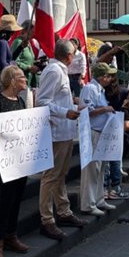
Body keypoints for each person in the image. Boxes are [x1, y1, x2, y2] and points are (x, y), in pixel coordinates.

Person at [37, 39, 85, 241]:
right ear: (69, 56)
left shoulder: (61, 71)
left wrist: (73, 106)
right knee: (51, 175)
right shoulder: (54, 71)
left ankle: (63, 211)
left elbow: (59, 99)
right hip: (57, 131)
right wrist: (66, 112)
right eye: (74, 54)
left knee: (61, 173)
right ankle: (47, 219)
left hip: (65, 130)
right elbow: (43, 101)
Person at [0, 65, 31, 257]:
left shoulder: (21, 101)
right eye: (22, 77)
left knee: (18, 197)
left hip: (20, 157)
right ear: (12, 80)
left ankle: (11, 236)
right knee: (6, 199)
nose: (26, 80)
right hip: (5, 159)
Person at [79, 62, 117, 216]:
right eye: (108, 76)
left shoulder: (99, 90)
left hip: (101, 132)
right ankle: (88, 204)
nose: (110, 79)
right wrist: (105, 109)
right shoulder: (90, 89)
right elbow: (87, 111)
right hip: (93, 132)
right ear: (103, 77)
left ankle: (98, 199)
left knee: (100, 168)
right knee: (92, 169)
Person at [0, 15, 23, 164]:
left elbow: (7, 59)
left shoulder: (0, 42)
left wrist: (19, 49)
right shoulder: (2, 43)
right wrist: (13, 69)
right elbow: (3, 63)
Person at [10, 21, 41, 89]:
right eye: (33, 30)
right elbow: (13, 62)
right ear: (27, 30)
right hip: (20, 82)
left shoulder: (28, 42)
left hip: (28, 82)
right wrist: (28, 67)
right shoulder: (19, 42)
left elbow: (28, 59)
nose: (34, 33)